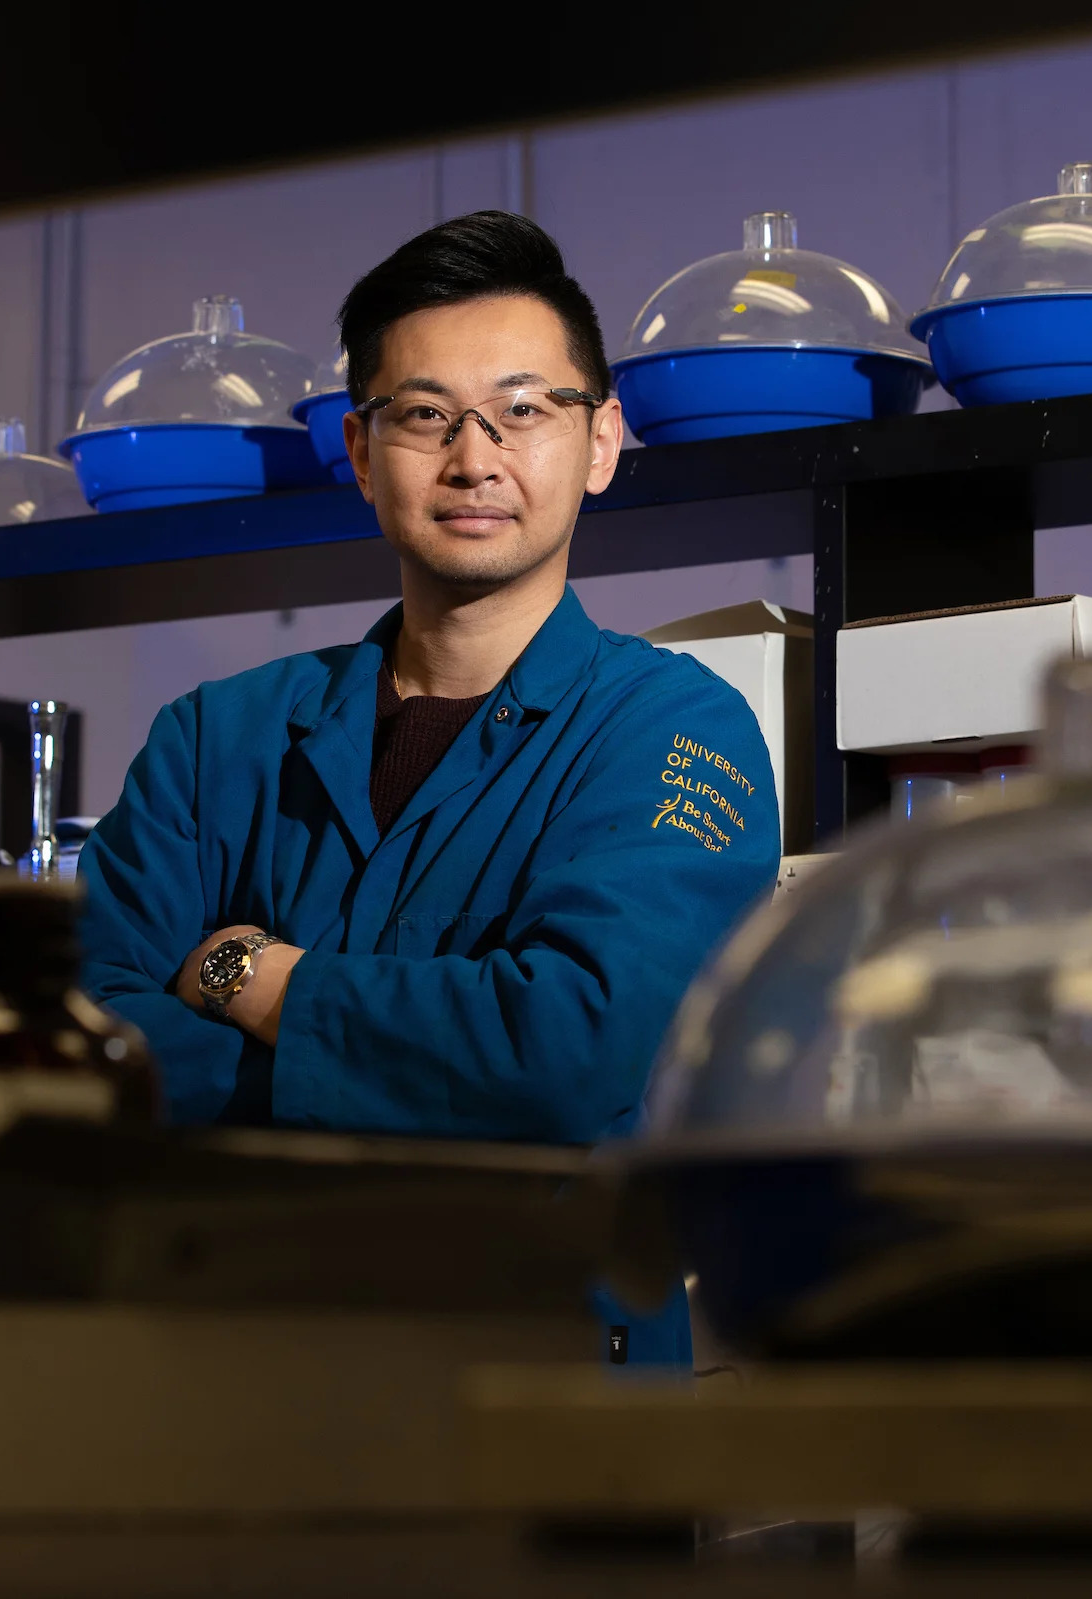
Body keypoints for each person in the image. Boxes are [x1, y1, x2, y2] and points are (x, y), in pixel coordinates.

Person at [77, 211, 781, 1153]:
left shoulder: (672, 729)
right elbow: (84, 1043)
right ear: (363, 455)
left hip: (536, 1298)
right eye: (424, 415)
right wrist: (421, 1067)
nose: (474, 458)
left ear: (601, 442)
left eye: (523, 410)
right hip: (250, 1297)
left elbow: (570, 1054)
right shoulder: (212, 738)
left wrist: (254, 978)